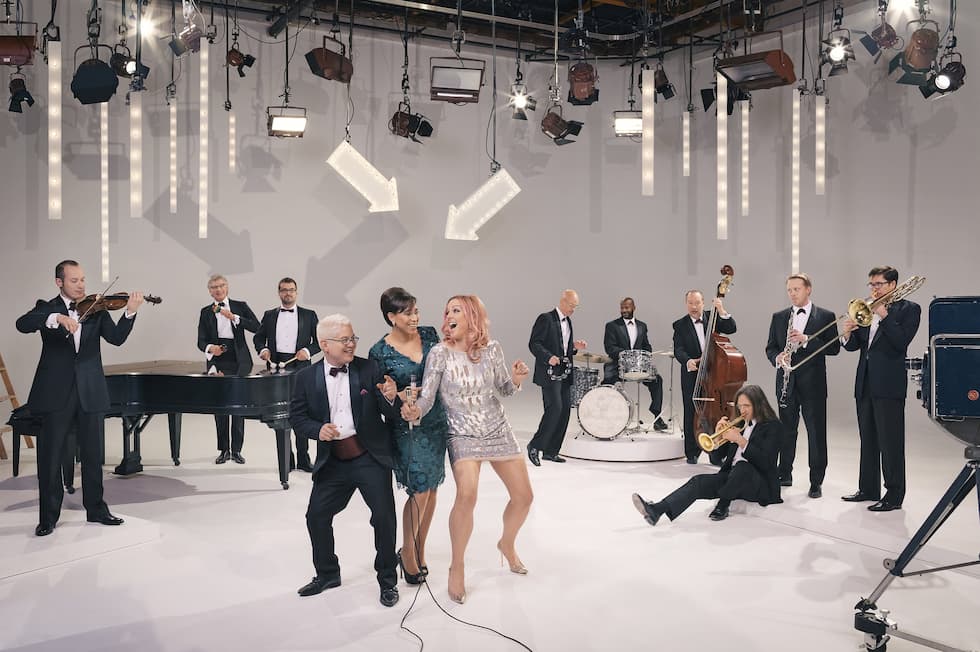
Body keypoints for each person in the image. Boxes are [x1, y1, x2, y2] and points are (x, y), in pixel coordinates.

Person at [401, 295, 532, 604]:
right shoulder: (440, 353)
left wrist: (516, 379)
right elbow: (427, 398)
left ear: (472, 315)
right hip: (461, 431)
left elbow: (504, 389)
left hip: (497, 427)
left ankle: (507, 544)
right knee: (467, 495)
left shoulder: (492, 349)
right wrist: (414, 411)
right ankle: (457, 565)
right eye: (447, 311)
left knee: (524, 497)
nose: (449, 315)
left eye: (456, 310)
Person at [16, 260, 144, 537]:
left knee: (93, 455)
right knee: (50, 457)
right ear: (59, 282)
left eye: (83, 279)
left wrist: (130, 312)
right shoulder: (46, 308)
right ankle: (48, 518)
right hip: (55, 392)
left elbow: (116, 338)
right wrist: (57, 318)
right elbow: (22, 324)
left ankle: (96, 510)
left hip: (90, 390)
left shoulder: (96, 308)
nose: (81, 285)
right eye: (74, 280)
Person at [290, 314, 402, 607]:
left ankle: (388, 581)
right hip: (334, 461)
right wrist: (317, 430)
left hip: (369, 457)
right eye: (344, 340)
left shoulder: (369, 369)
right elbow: (297, 418)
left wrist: (392, 398)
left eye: (353, 338)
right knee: (316, 516)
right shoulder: (305, 378)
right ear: (324, 344)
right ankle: (327, 574)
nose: (351, 344)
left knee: (384, 518)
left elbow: (390, 413)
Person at [368, 287, 449, 585]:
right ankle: (407, 553)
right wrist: (399, 395)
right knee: (420, 490)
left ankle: (419, 549)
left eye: (416, 311)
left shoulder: (429, 335)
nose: (414, 318)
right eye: (407, 313)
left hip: (435, 422)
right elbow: (381, 398)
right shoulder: (379, 352)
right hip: (406, 428)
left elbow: (442, 372)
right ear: (391, 317)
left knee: (433, 489)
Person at [632, 384, 782, 525]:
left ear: (758, 404)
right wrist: (717, 437)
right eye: (740, 406)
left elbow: (765, 462)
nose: (742, 410)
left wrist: (740, 440)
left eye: (747, 406)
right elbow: (717, 458)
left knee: (742, 466)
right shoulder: (740, 425)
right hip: (733, 480)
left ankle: (723, 505)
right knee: (698, 482)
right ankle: (657, 510)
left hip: (760, 485)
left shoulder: (773, 427)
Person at [840, 266, 921, 512]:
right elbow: (855, 346)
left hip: (888, 385)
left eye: (878, 284)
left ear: (892, 285)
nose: (874, 289)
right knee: (868, 440)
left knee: (890, 442)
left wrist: (884, 315)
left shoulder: (909, 309)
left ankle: (894, 495)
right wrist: (847, 333)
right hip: (864, 383)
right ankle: (868, 489)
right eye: (871, 284)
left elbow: (900, 342)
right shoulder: (867, 309)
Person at [765, 273, 840, 499]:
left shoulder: (825, 316)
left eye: (796, 289)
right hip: (786, 382)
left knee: (816, 434)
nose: (792, 294)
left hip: (813, 385)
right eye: (789, 290)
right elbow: (770, 347)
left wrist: (806, 339)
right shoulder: (779, 317)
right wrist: (777, 358)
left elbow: (834, 348)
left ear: (808, 289)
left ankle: (816, 481)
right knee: (786, 431)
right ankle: (784, 473)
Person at [253, 276, 320, 472]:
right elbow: (258, 338)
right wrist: (263, 349)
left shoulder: (309, 315)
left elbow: (319, 341)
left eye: (291, 290)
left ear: (296, 292)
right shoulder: (269, 315)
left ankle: (303, 459)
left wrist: (307, 351)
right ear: (279, 293)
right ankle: (287, 460)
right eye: (284, 290)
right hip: (276, 367)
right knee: (282, 414)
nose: (288, 293)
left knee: (301, 412)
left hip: (301, 367)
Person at [197, 274, 260, 464]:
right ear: (210, 291)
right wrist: (211, 349)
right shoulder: (205, 312)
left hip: (239, 360)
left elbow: (257, 327)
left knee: (238, 406)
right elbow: (200, 341)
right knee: (221, 407)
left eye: (221, 285)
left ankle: (237, 450)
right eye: (214, 287)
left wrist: (234, 317)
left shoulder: (240, 306)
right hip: (218, 360)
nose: (218, 289)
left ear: (227, 287)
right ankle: (224, 450)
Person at [672, 290, 737, 464]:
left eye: (697, 303)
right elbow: (678, 349)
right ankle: (692, 452)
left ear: (703, 303)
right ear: (686, 304)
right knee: (691, 411)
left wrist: (721, 310)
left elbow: (732, 328)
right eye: (690, 303)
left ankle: (717, 454)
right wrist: (688, 361)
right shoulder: (679, 325)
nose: (694, 307)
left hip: (716, 374)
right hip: (692, 374)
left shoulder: (713, 318)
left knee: (716, 413)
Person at [527, 290, 587, 465]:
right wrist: (548, 357)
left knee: (565, 411)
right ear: (563, 301)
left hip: (564, 373)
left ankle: (551, 451)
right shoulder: (545, 318)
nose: (573, 309)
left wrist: (574, 347)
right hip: (549, 373)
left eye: (575, 307)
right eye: (571, 305)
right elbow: (534, 343)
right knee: (555, 408)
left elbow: (562, 348)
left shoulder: (568, 321)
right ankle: (535, 445)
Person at [603, 297, 668, 431]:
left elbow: (646, 345)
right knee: (606, 384)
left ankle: (657, 416)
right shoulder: (612, 326)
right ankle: (607, 418)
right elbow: (609, 348)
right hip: (618, 366)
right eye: (622, 308)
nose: (624, 310)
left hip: (638, 367)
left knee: (657, 380)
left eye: (627, 307)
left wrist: (647, 353)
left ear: (633, 308)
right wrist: (627, 355)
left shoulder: (642, 326)